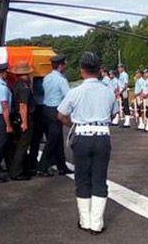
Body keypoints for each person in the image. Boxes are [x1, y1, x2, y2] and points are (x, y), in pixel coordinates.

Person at [57, 52, 117, 234]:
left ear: (82, 71)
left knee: (82, 179)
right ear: (99, 70)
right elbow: (114, 114)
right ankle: (97, 223)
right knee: (99, 178)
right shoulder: (108, 92)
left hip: (82, 136)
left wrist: (74, 124)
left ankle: (85, 220)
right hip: (102, 136)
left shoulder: (75, 92)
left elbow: (61, 115)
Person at [41, 55, 73, 176]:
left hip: (46, 109)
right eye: (64, 64)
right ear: (61, 65)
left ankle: (61, 165)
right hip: (56, 109)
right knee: (53, 140)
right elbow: (68, 97)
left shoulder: (47, 78)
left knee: (57, 139)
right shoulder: (61, 80)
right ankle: (42, 166)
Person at [9, 61, 35, 181]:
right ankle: (17, 171)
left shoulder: (17, 85)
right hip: (24, 118)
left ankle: (19, 169)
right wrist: (25, 122)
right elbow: (23, 106)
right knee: (23, 145)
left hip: (16, 118)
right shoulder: (24, 87)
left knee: (19, 144)